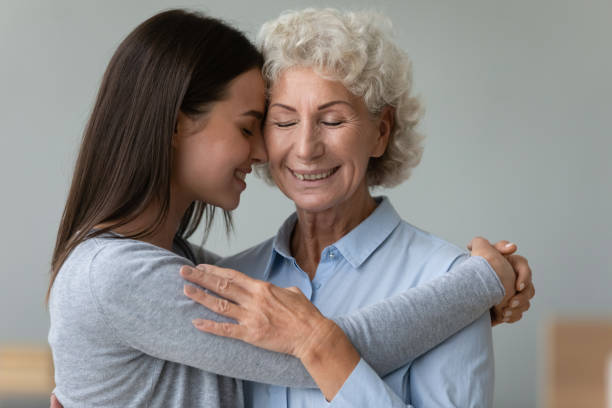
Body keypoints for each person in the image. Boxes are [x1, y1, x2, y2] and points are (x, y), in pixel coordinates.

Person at [47, 9, 533, 408]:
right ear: (177, 126)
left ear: (381, 131)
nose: (302, 148)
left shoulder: (441, 276)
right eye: (270, 124)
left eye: (333, 119)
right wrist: (483, 283)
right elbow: (323, 350)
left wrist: (473, 289)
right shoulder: (201, 279)